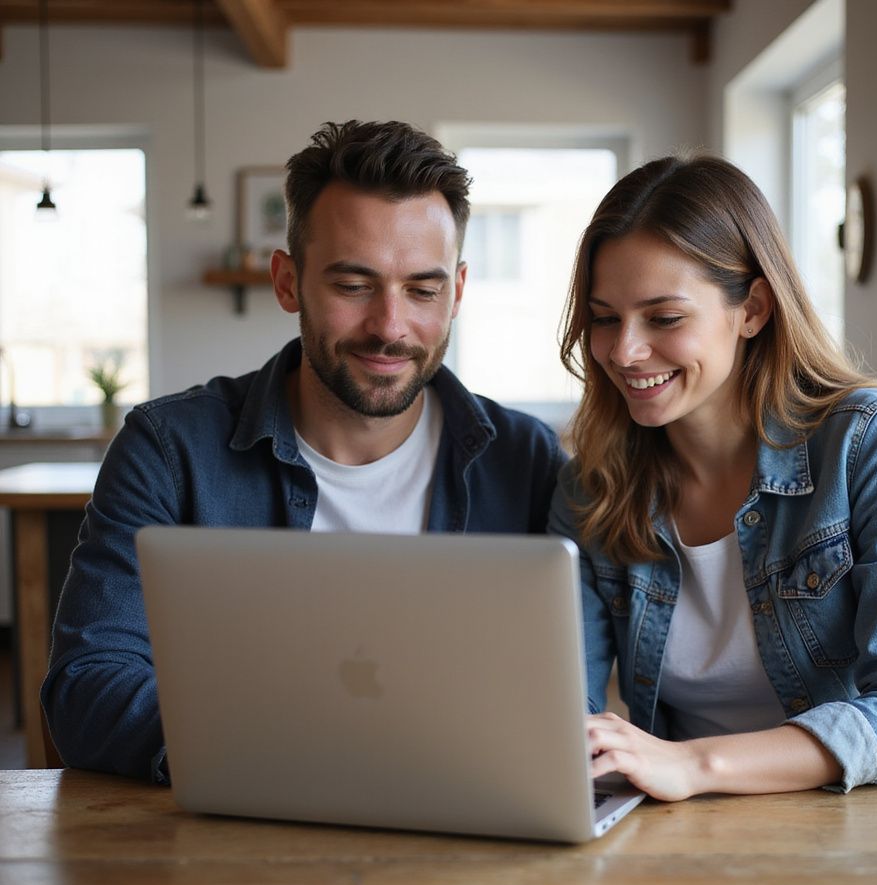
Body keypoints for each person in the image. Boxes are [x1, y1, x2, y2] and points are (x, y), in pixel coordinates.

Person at [43, 120, 566, 782]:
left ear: (457, 291)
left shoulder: (525, 459)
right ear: (288, 282)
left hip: (465, 835)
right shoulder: (168, 449)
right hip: (236, 838)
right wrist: (312, 750)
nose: (390, 325)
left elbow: (556, 699)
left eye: (423, 290)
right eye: (353, 285)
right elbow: (87, 691)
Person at [549, 153, 877, 802]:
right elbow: (564, 719)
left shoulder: (871, 442)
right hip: (690, 839)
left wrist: (693, 765)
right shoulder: (596, 485)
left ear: (752, 308)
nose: (623, 351)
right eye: (605, 317)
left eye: (664, 318)